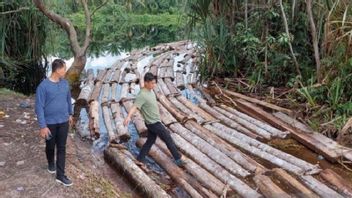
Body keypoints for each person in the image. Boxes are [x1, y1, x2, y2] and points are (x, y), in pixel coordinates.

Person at [123, 72, 184, 166]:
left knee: (150, 141)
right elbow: (135, 106)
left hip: (153, 122)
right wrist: (128, 117)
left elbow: (141, 84)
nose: (154, 85)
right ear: (147, 83)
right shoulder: (142, 95)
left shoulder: (148, 89)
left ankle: (140, 158)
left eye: (155, 83)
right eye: (152, 83)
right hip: (153, 123)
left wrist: (140, 74)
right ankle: (178, 159)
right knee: (168, 138)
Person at [35, 59, 73, 187]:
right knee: (50, 146)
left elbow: (68, 99)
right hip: (49, 123)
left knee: (62, 148)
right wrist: (42, 126)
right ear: (57, 70)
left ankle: (60, 176)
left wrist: (70, 114)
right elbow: (39, 107)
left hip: (63, 122)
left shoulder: (65, 84)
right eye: (64, 68)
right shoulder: (43, 86)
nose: (65, 71)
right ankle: (51, 162)